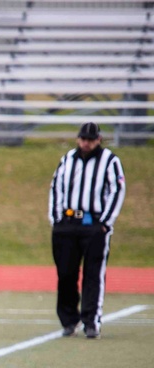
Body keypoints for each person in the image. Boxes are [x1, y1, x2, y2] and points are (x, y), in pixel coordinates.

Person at [48, 122, 126, 339]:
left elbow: (117, 190)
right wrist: (57, 219)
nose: (86, 143)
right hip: (68, 223)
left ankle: (91, 321)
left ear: (98, 140)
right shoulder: (67, 159)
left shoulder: (110, 161)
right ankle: (68, 319)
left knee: (93, 275)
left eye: (90, 140)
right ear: (78, 139)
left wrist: (105, 223)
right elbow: (56, 188)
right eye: (83, 139)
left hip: (94, 225)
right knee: (66, 273)